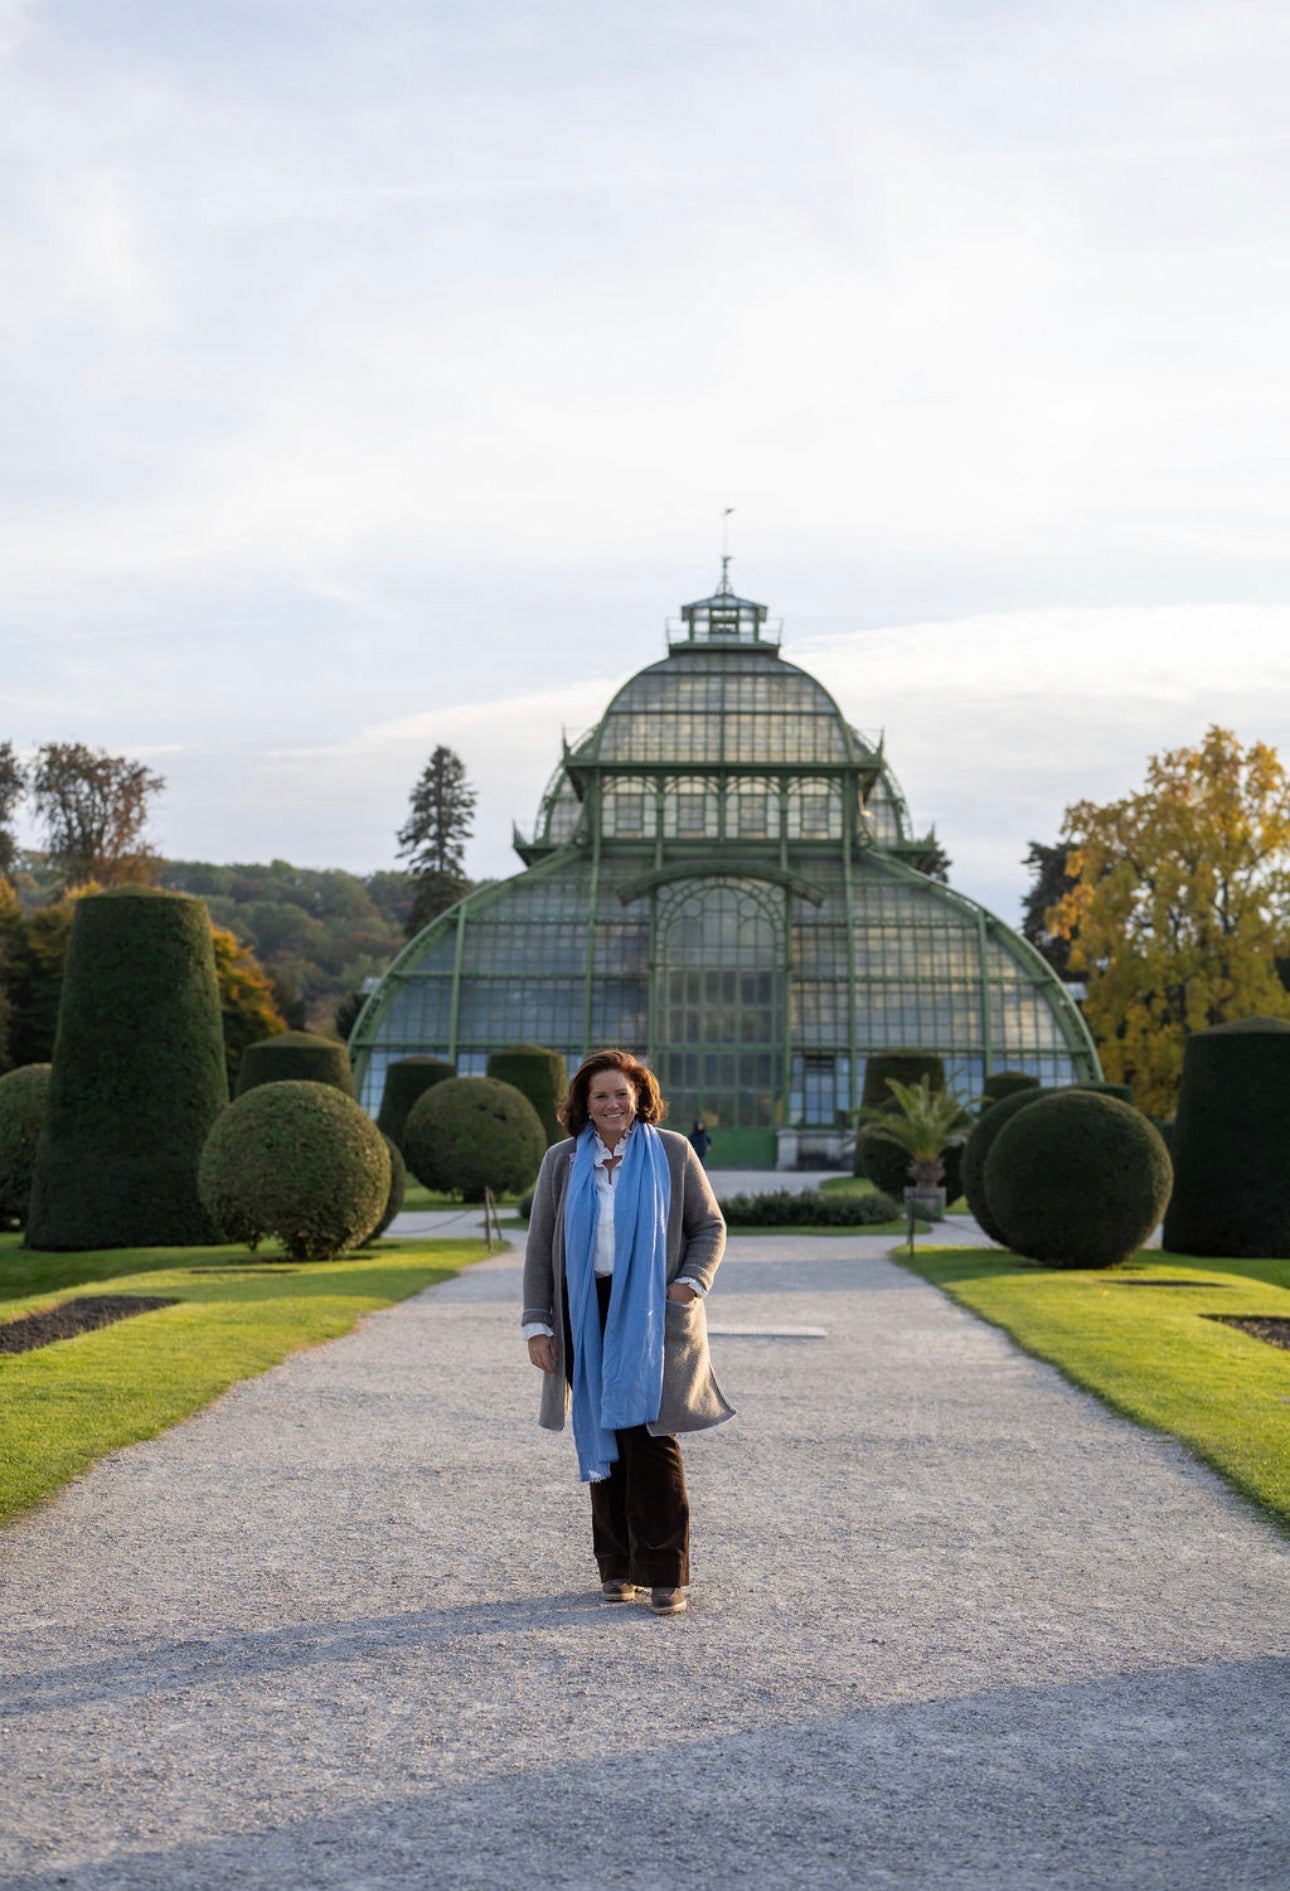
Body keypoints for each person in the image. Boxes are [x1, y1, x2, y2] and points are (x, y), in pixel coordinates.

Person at [522, 1048, 733, 1616]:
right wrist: (539, 1324)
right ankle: (616, 1569)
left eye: (622, 1093)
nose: (613, 1103)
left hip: (650, 1312)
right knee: (602, 1436)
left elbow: (708, 1227)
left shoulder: (672, 1151)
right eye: (600, 1096)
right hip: (586, 1310)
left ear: (639, 1097)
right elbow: (542, 1247)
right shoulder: (562, 1162)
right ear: (583, 1106)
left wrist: (687, 1285)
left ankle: (665, 1575)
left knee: (651, 1436)